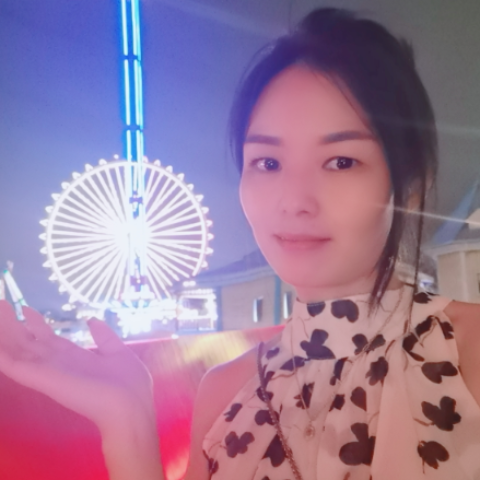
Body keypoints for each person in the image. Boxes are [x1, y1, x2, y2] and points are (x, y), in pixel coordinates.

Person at [0, 7, 479, 480]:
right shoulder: (227, 391)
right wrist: (126, 415)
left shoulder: (468, 353)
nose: (294, 201)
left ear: (410, 187)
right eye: (268, 163)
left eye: (340, 161)